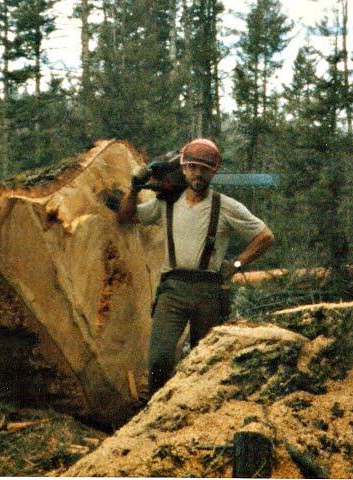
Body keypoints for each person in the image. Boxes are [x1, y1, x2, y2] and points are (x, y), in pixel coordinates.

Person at [117, 138, 275, 397]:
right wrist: (134, 189)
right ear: (183, 168)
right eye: (192, 167)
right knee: (159, 358)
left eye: (204, 169)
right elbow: (126, 216)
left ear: (214, 171)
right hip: (173, 289)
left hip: (208, 292)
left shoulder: (224, 206)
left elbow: (265, 236)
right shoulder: (166, 203)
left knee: (205, 362)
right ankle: (154, 411)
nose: (198, 174)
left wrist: (236, 264)